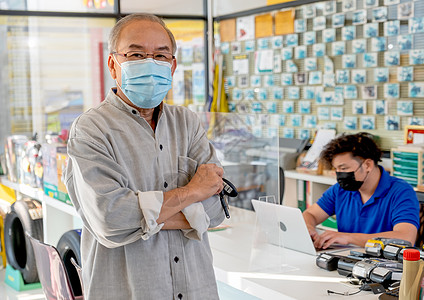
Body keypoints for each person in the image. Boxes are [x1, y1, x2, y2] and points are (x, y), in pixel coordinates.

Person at [65, 13, 226, 300]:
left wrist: (142, 216)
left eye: (161, 56)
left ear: (173, 65)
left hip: (196, 287)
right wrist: (192, 192)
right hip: (129, 291)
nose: (151, 64)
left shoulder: (187, 123)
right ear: (113, 65)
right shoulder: (91, 129)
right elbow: (111, 218)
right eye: (136, 54)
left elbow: (215, 211)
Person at [303, 132, 419, 249]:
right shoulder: (340, 190)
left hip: (386, 263)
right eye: (336, 169)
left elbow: (405, 238)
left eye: (344, 168)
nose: (339, 174)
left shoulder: (401, 191)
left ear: (367, 165)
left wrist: (348, 238)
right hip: (347, 260)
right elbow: (310, 214)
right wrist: (309, 228)